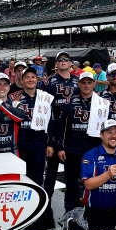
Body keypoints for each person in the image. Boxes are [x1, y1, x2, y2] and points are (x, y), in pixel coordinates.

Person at [10, 67, 54, 230]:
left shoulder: (45, 97)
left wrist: (51, 143)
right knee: (21, 177)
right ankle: (21, 210)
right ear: (21, 81)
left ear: (37, 79)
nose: (30, 80)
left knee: (37, 177)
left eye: (33, 77)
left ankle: (35, 209)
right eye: (26, 77)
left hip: (39, 143)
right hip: (20, 143)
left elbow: (51, 121)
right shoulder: (14, 97)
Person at [53, 72, 101, 213]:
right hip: (72, 148)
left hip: (92, 149)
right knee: (71, 181)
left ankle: (90, 209)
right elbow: (61, 126)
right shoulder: (69, 102)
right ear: (78, 84)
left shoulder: (101, 103)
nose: (86, 85)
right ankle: (69, 210)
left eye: (89, 82)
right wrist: (60, 147)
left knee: (92, 180)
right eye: (83, 82)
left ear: (94, 84)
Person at [42, 51, 80, 209]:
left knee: (72, 171)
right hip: (54, 128)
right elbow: (44, 109)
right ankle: (46, 203)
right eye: (60, 60)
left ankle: (72, 205)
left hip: (72, 132)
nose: (63, 61)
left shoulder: (79, 81)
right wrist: (49, 139)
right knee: (51, 170)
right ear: (56, 64)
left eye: (66, 59)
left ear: (70, 63)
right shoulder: (49, 82)